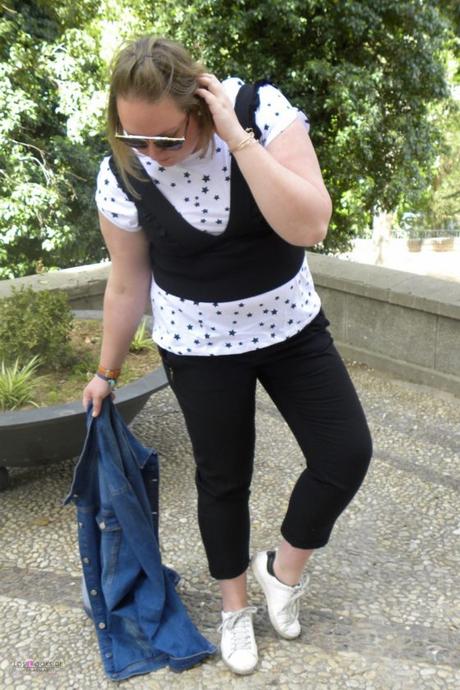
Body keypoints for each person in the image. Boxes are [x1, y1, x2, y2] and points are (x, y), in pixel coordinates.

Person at [82, 35, 373, 676]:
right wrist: (105, 370)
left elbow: (309, 225)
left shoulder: (261, 112)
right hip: (199, 344)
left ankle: (282, 570)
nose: (151, 155)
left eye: (166, 138)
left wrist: (237, 139)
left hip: (291, 327)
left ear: (201, 108)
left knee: (346, 452)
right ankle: (234, 607)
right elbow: (128, 282)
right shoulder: (122, 174)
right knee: (223, 479)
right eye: (135, 139)